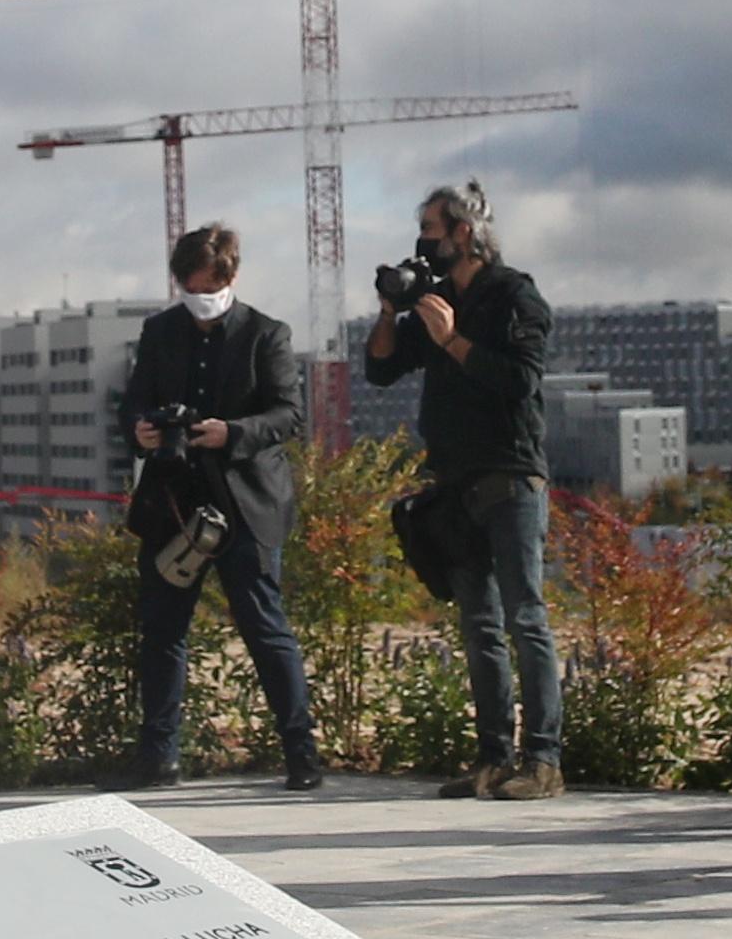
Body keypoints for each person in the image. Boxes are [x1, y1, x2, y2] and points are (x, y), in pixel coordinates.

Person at [367, 181, 562, 798]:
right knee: (479, 624)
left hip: (510, 475)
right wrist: (388, 311)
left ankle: (544, 761)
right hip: (454, 482)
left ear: (464, 233)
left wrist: (453, 339)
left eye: (430, 229)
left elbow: (520, 381)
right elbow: (379, 370)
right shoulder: (435, 298)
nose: (422, 240)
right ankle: (494, 759)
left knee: (525, 617)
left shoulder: (515, 295)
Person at [115, 223, 323, 790]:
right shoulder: (160, 331)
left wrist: (230, 432)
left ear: (231, 278)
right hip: (174, 501)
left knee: (263, 626)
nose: (198, 302)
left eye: (208, 290)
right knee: (162, 630)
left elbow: (288, 415)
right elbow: (132, 402)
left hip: (247, 500)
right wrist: (143, 430)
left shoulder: (266, 334)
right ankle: (159, 756)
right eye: (189, 290)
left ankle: (300, 751)